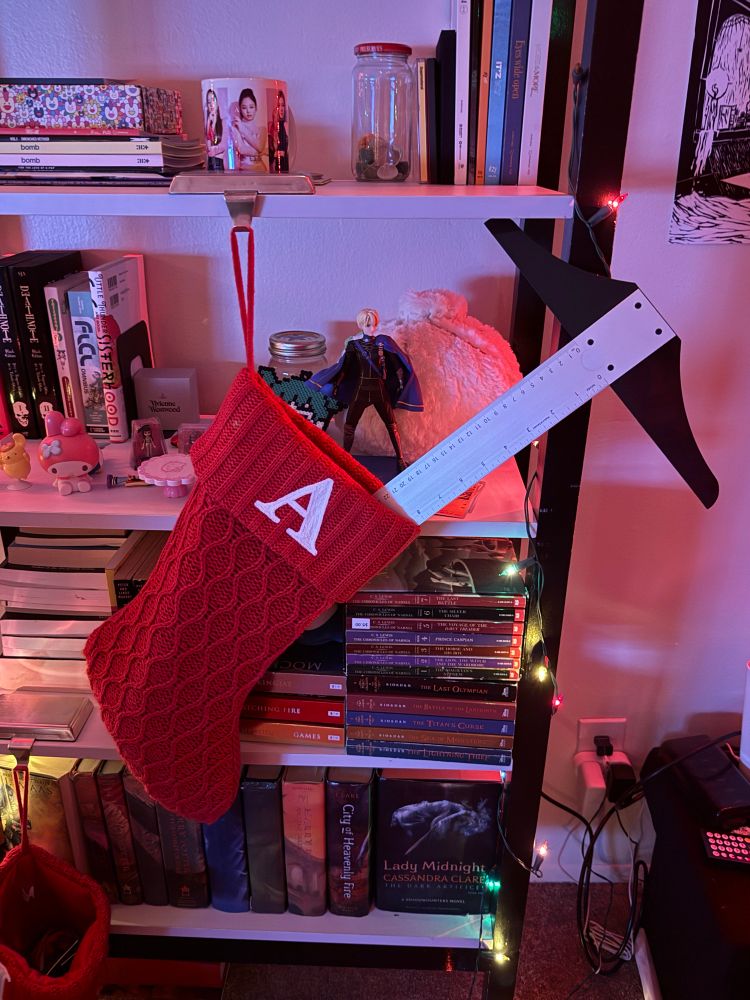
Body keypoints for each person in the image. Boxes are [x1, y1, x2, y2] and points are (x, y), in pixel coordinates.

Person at [310, 308, 423, 471]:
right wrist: (335, 385)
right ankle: (345, 459)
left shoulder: (383, 343)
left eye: (374, 324)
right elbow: (344, 368)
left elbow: (398, 365)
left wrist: (400, 382)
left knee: (392, 425)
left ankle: (400, 459)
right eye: (368, 324)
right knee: (350, 426)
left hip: (379, 389)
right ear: (361, 325)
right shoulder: (354, 345)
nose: (372, 328)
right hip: (361, 389)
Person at [231, 88, 268, 173]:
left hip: (261, 169)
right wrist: (263, 151)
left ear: (256, 108)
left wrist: (242, 129)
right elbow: (242, 149)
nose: (248, 111)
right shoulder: (236, 126)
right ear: (240, 109)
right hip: (244, 170)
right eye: (244, 108)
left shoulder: (262, 129)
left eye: (251, 107)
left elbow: (260, 146)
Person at [204, 87, 226, 171]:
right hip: (210, 163)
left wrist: (216, 121)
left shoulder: (223, 122)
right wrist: (210, 123)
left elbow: (223, 146)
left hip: (219, 163)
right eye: (208, 102)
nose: (211, 104)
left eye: (213, 100)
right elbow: (208, 146)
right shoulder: (208, 123)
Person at [268, 89, 289, 173]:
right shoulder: (271, 126)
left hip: (284, 167)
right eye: (278, 106)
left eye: (283, 105)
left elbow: (289, 151)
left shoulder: (286, 125)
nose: (281, 109)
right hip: (272, 170)